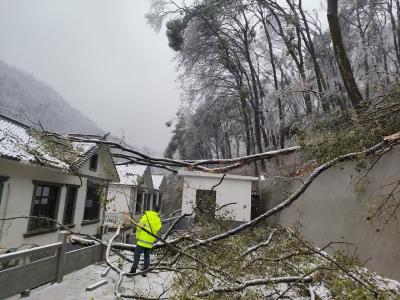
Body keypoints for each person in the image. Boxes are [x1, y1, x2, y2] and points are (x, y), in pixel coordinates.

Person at [130, 205, 162, 275]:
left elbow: (139, 227)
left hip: (142, 240)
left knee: (137, 255)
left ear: (152, 209)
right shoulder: (157, 219)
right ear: (158, 211)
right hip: (150, 241)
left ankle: (133, 270)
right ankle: (145, 272)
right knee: (147, 256)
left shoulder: (146, 216)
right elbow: (157, 229)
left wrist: (137, 237)